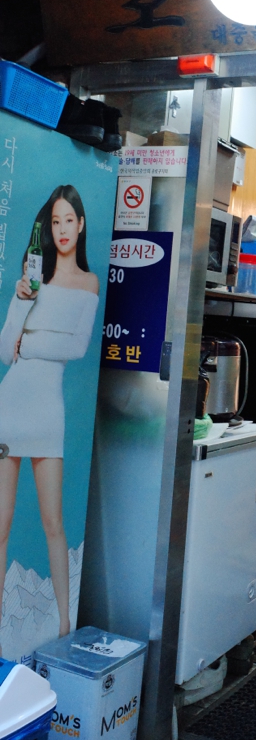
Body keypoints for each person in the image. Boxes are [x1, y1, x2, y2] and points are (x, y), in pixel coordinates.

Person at [0, 185, 99, 647]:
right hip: (10, 406)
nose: (62, 229)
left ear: (81, 224)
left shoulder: (88, 284)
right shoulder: (31, 278)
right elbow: (6, 352)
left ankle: (63, 625)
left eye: (68, 220)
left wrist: (33, 342)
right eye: (55, 221)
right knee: (0, 524)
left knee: (54, 523)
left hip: (48, 411)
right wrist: (21, 301)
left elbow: (76, 347)